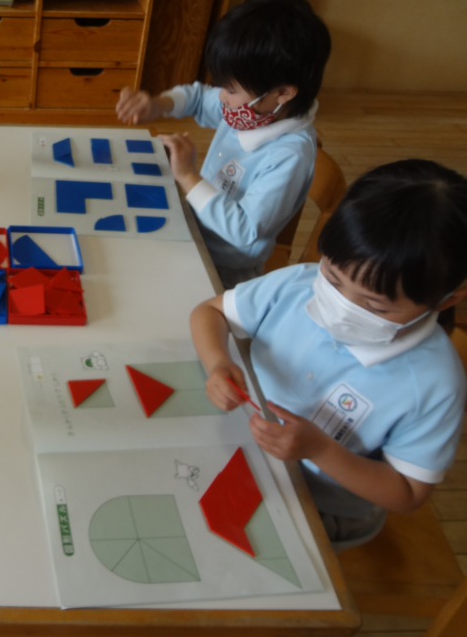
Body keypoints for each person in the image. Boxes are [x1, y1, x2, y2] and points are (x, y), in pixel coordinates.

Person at [189, 160, 467, 550]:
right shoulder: (297, 284)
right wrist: (218, 361)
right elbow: (210, 312)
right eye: (333, 279)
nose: (340, 306)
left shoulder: (433, 383)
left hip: (322, 504)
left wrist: (319, 450)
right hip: (240, 444)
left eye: (375, 306)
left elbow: (408, 493)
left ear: (447, 298)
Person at [116, 0, 332, 288]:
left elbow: (245, 231)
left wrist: (188, 176)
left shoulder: (290, 156)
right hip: (193, 230)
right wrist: (158, 104)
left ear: (283, 93)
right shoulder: (251, 110)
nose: (222, 97)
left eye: (230, 90)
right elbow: (196, 97)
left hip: (225, 271)